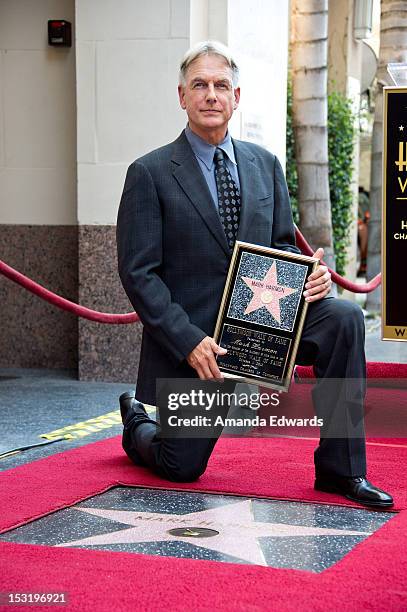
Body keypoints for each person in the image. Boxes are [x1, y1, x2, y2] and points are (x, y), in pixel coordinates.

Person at [116, 41, 392, 507]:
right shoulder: (150, 172)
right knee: (181, 467)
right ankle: (137, 426)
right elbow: (139, 273)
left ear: (236, 96)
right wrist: (188, 342)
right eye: (199, 85)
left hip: (264, 324)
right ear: (181, 96)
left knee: (343, 319)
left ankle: (341, 471)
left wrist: (311, 278)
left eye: (221, 85)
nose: (211, 95)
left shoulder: (266, 165)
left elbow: (283, 245)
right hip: (198, 346)